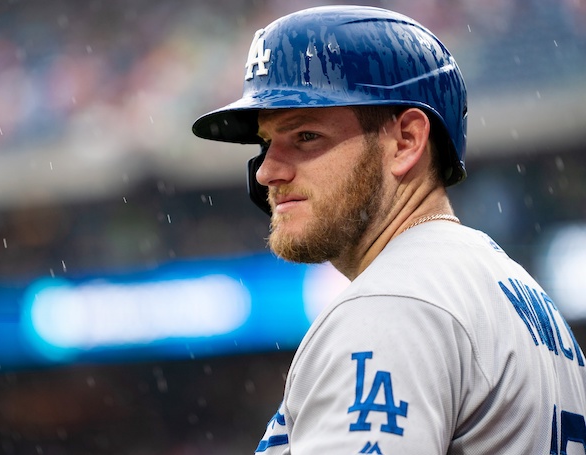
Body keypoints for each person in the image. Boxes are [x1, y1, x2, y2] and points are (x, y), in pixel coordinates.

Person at [192, 5, 586, 454]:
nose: (267, 172)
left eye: (305, 136)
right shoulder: (516, 294)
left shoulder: (393, 306)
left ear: (405, 142)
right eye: (266, 144)